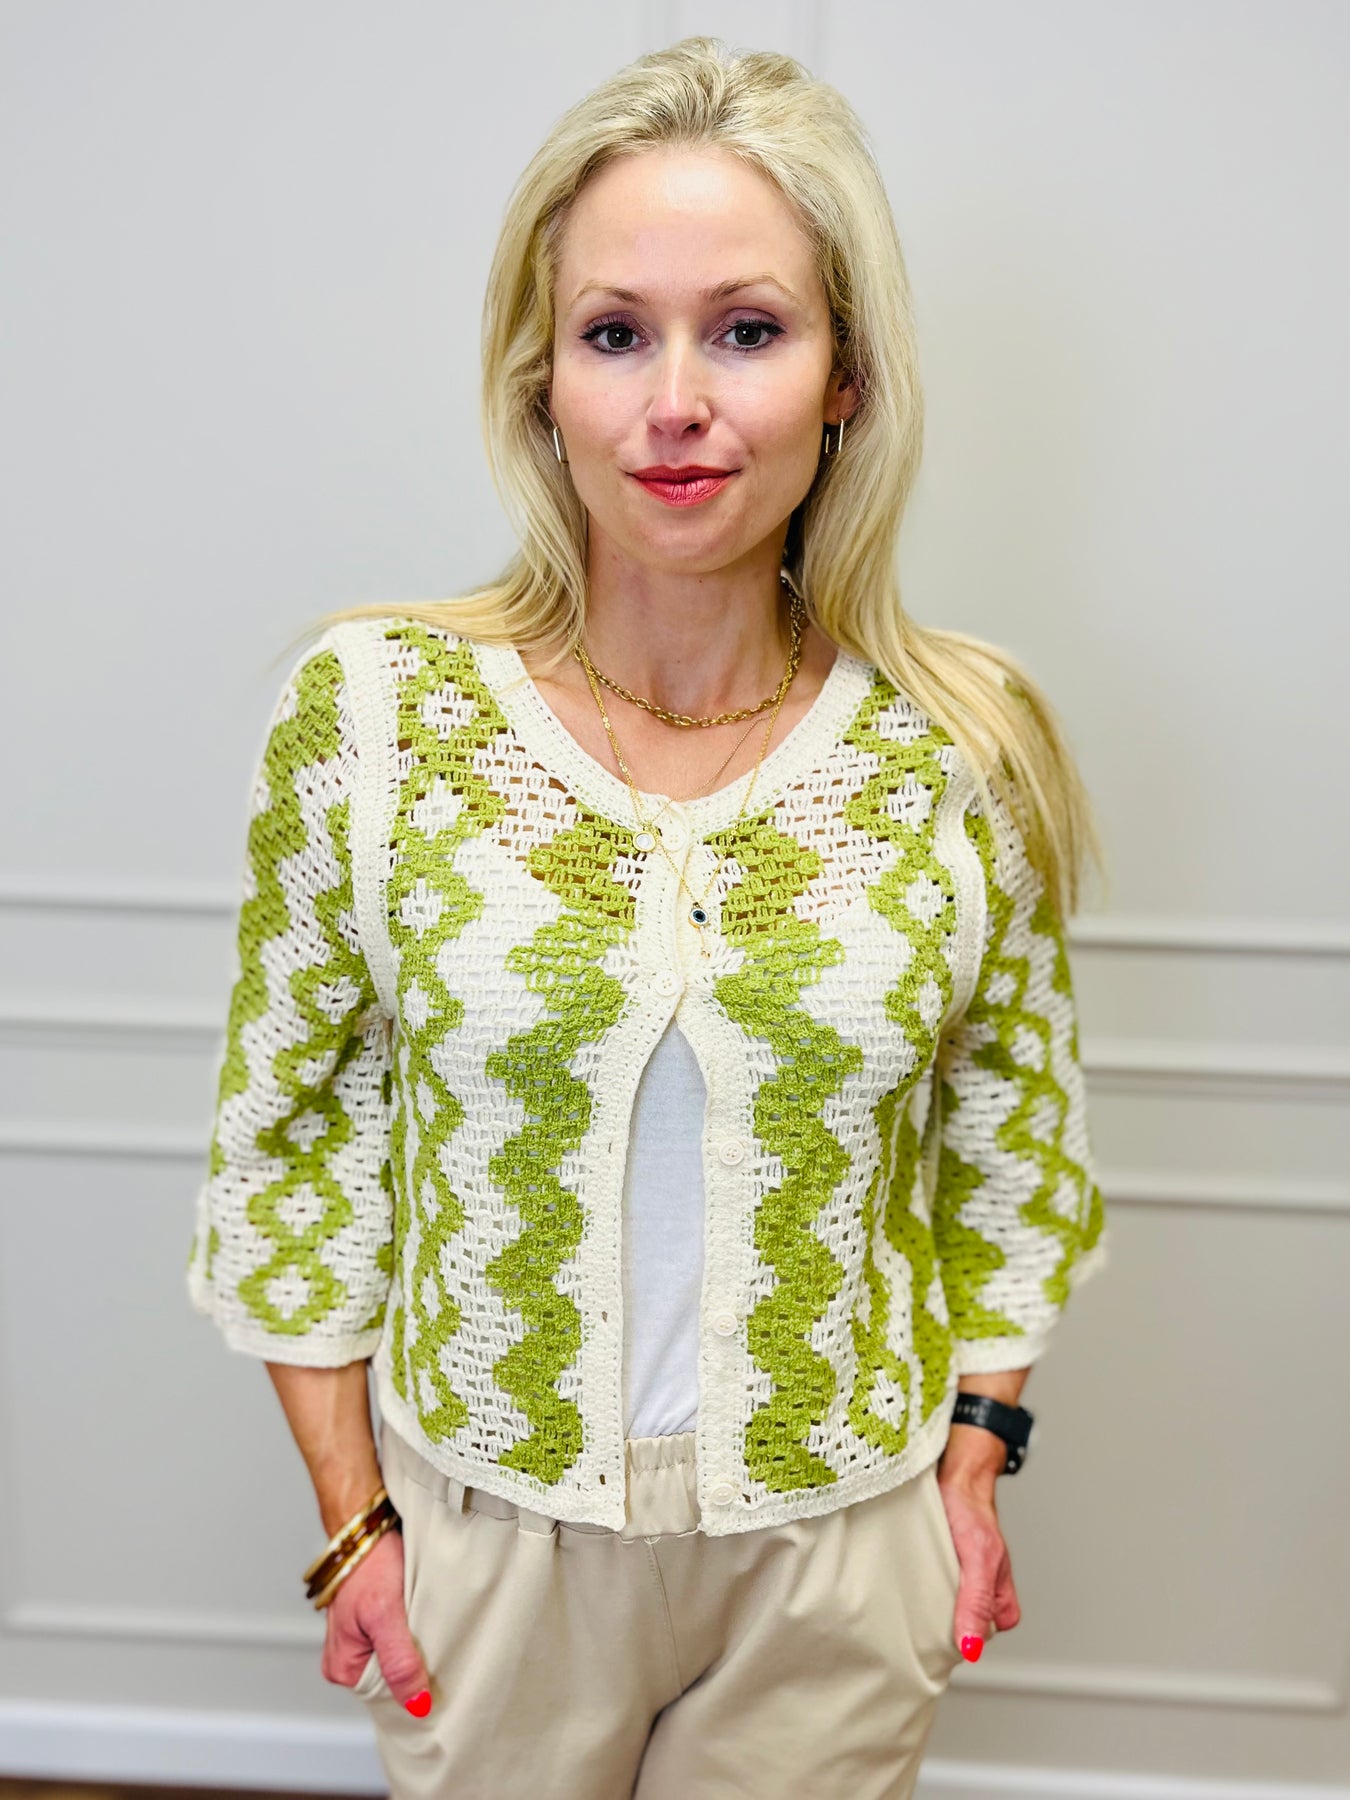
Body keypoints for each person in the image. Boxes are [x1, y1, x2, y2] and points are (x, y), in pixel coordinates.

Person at [187, 34, 1110, 1800]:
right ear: (540, 380)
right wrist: (354, 1517)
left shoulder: (961, 740)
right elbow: (293, 1138)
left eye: (747, 331)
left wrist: (977, 1448)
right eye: (615, 334)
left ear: (844, 379)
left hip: (840, 1556)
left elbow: (1014, 1140)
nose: (674, 402)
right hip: (491, 1546)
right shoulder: (377, 714)